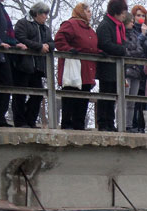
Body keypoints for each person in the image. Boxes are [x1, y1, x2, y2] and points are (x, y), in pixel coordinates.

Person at [54, 2, 98, 130]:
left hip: (86, 68)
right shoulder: (71, 24)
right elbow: (59, 40)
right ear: (81, 11)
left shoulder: (89, 29)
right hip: (73, 68)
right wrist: (68, 49)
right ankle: (67, 124)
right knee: (71, 95)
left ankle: (79, 124)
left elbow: (91, 47)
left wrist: (99, 52)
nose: (90, 13)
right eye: (88, 11)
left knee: (84, 96)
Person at [11, 2, 54, 128]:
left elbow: (51, 42)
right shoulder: (22, 23)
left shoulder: (45, 28)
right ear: (36, 13)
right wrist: (39, 46)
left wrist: (47, 46)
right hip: (23, 65)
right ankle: (20, 121)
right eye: (44, 14)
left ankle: (30, 120)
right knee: (20, 94)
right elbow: (21, 38)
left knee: (38, 95)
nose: (46, 17)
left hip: (38, 67)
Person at [95, 0, 129, 131]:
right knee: (105, 95)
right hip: (107, 67)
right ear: (116, 12)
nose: (124, 15)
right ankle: (103, 122)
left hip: (116, 68)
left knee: (113, 96)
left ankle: (110, 121)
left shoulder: (119, 26)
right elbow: (105, 43)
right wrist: (122, 50)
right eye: (123, 12)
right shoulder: (105, 25)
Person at [122, 12, 145, 132]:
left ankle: (129, 125)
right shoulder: (121, 34)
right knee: (123, 99)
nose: (133, 23)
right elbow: (124, 51)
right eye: (131, 21)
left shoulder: (135, 35)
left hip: (136, 71)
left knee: (132, 102)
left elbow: (140, 50)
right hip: (125, 71)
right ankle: (121, 123)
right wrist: (133, 52)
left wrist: (133, 52)